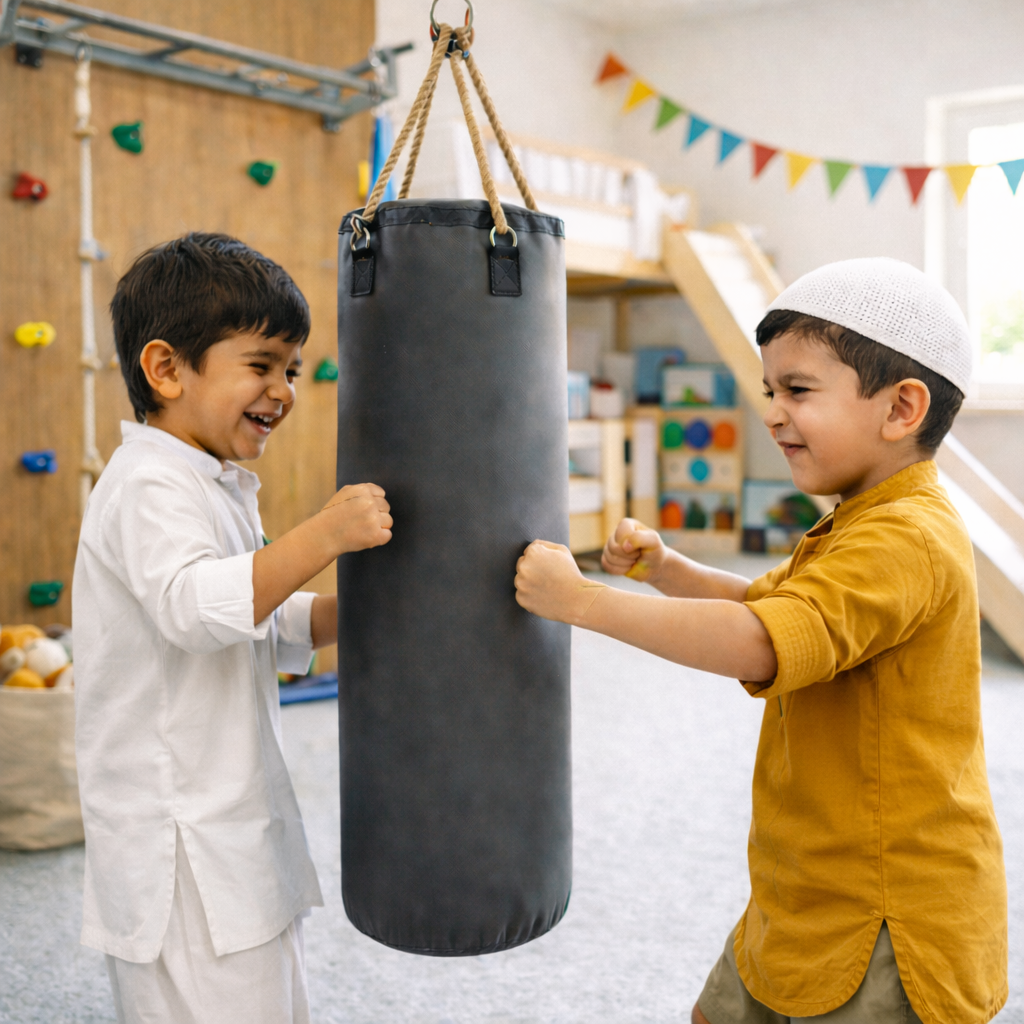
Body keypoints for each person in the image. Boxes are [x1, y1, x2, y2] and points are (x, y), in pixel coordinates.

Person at [515, 258, 1007, 1024]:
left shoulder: (905, 537)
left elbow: (761, 642)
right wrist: (667, 570)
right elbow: (767, 605)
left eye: (798, 391)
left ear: (902, 407)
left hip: (883, 914)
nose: (772, 413)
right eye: (771, 389)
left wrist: (582, 602)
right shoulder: (861, 519)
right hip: (805, 880)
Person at [73, 233, 393, 1024]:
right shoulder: (147, 484)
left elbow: (260, 615)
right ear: (166, 369)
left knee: (271, 991)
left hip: (231, 813)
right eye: (261, 365)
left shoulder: (215, 483)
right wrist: (322, 535)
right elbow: (194, 607)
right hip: (176, 840)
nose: (283, 391)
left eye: (293, 370)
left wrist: (360, 614)